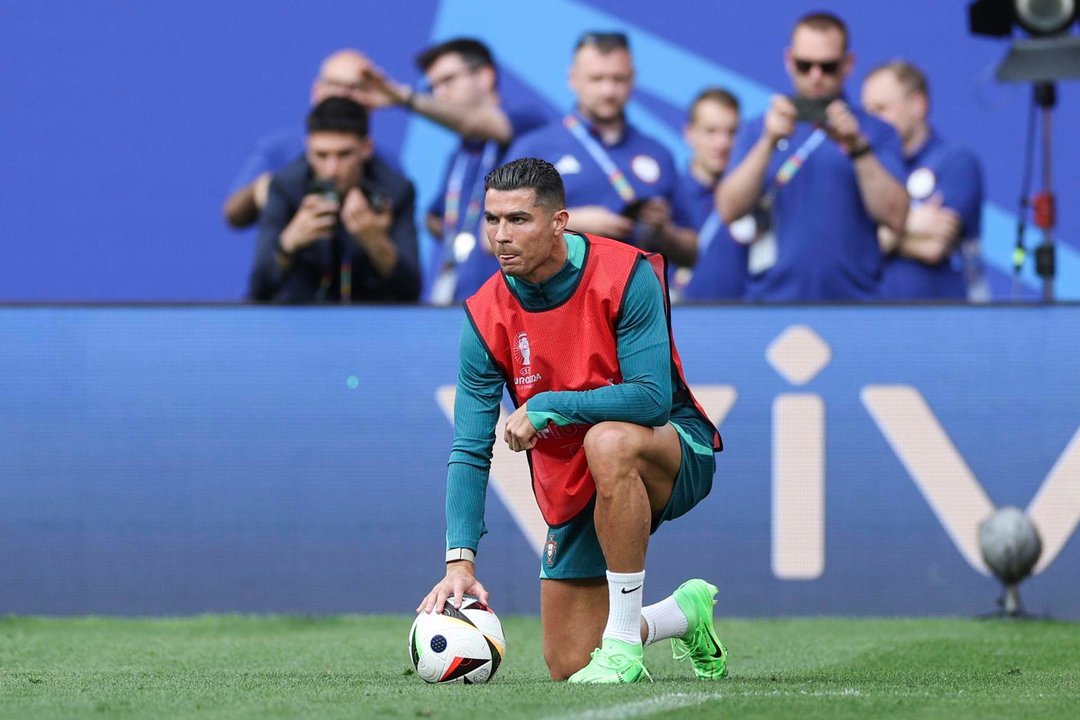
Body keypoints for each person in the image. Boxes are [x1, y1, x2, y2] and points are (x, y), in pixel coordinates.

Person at [418, 158, 726, 684]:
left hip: (669, 449)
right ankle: (680, 614)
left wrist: (548, 405)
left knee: (608, 442)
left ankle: (624, 651)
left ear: (559, 221)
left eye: (518, 220)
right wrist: (459, 564)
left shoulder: (625, 273)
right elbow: (470, 448)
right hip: (574, 481)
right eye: (492, 220)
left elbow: (652, 399)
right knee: (569, 664)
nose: (500, 236)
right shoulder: (483, 314)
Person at [717, 12, 909, 301]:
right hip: (772, 302)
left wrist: (857, 146)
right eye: (804, 65)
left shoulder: (874, 131)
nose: (815, 76)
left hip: (857, 304)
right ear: (788, 60)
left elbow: (895, 216)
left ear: (848, 64)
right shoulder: (761, 128)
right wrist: (768, 143)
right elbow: (729, 209)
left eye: (828, 67)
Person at [360, 39, 549, 304]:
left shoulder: (526, 121)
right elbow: (438, 215)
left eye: (448, 80)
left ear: (485, 77)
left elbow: (480, 124)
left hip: (513, 303)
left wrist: (404, 97)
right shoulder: (461, 152)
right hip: (458, 299)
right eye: (433, 86)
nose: (439, 94)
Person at [505, 32, 694, 264]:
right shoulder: (535, 147)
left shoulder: (658, 153)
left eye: (618, 79)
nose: (608, 91)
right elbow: (493, 235)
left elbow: (692, 253)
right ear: (572, 79)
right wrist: (575, 221)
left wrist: (664, 232)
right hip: (555, 295)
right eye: (597, 79)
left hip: (632, 294)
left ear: (633, 80)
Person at [247, 97, 420, 303]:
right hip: (297, 317)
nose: (332, 170)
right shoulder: (286, 186)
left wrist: (374, 240)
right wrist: (289, 243)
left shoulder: (395, 190)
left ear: (366, 148)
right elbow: (258, 289)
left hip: (371, 319)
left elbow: (411, 291)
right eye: (321, 155)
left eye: (344, 154)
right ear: (308, 149)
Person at [861, 60, 986, 301]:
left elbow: (934, 247)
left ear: (917, 105)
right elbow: (847, 250)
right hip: (872, 320)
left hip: (941, 322)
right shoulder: (865, 169)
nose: (871, 121)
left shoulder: (955, 160)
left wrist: (877, 236)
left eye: (881, 109)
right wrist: (911, 224)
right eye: (867, 112)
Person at [223, 50, 380, 230]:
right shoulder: (282, 148)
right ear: (316, 90)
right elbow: (233, 214)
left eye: (356, 87)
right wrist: (267, 191)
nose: (343, 94)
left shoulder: (387, 168)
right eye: (334, 84)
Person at [673, 88, 748, 302]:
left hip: (750, 323)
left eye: (732, 132)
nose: (722, 143)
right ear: (688, 133)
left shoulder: (757, 199)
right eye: (711, 131)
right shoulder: (668, 195)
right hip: (679, 323)